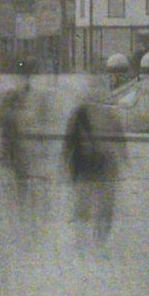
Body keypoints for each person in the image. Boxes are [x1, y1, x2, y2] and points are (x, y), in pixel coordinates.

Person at [63, 89, 124, 245]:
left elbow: (68, 142)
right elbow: (69, 141)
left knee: (97, 205)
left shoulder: (87, 113)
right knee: (94, 205)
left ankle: (92, 240)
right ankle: (90, 240)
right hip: (92, 166)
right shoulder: (82, 114)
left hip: (97, 166)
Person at [0, 74, 32, 208]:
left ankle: (19, 196)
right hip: (16, 145)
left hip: (15, 145)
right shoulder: (12, 111)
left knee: (17, 168)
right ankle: (20, 197)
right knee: (19, 168)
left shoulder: (9, 109)